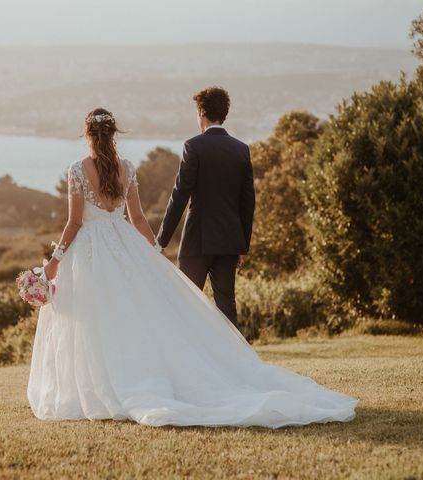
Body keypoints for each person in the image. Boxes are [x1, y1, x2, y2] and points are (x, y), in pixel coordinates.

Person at [28, 106, 357, 428]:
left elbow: (73, 223)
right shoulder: (126, 167)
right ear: (114, 134)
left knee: (97, 318)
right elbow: (138, 218)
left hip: (90, 252)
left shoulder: (77, 169)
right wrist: (155, 251)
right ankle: (131, 379)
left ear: (87, 134)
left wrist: (54, 263)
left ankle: (101, 386)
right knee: (130, 316)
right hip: (124, 246)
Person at [157, 86, 254, 328]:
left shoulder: (194, 146)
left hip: (197, 241)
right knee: (226, 308)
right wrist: (242, 245)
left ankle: (186, 361)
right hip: (229, 242)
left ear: (201, 112)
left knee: (185, 303)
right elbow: (247, 203)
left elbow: (180, 195)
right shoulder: (241, 149)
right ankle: (237, 362)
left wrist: (161, 240)